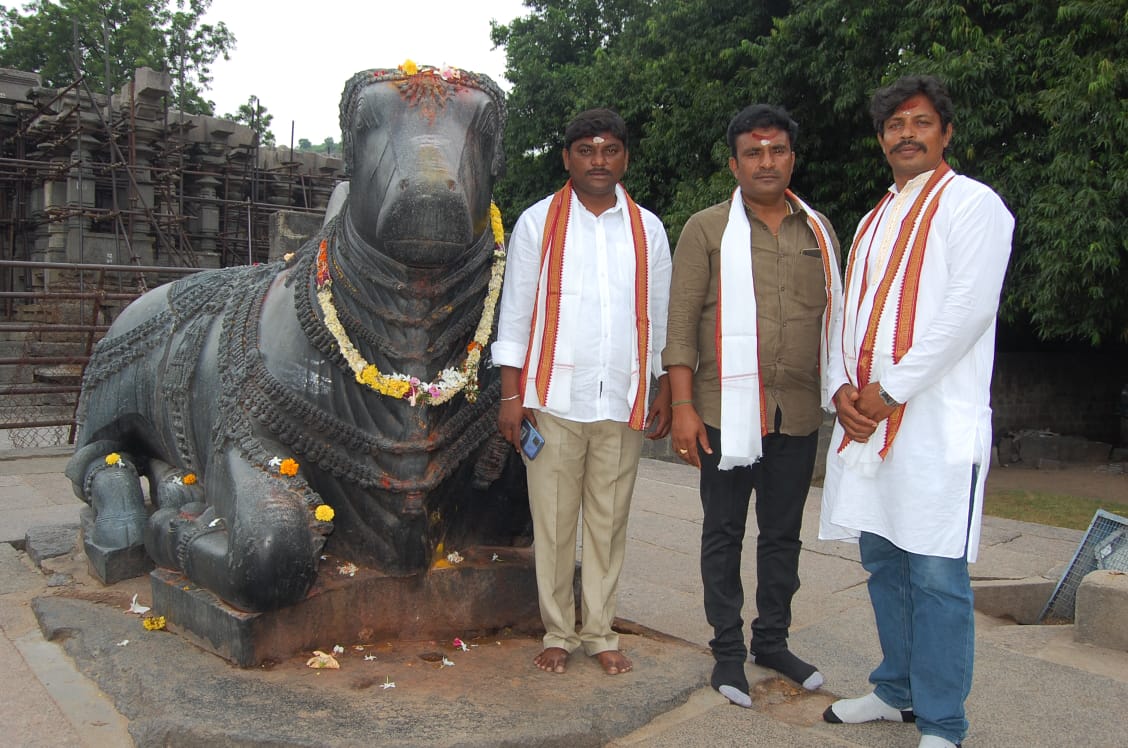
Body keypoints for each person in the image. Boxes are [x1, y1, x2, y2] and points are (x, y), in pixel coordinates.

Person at [819, 75, 1014, 748]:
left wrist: (889, 389)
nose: (907, 133)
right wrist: (842, 386)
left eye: (921, 122)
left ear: (946, 133)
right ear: (881, 140)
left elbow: (964, 313)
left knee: (935, 573)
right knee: (884, 559)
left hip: (932, 424)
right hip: (873, 425)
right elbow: (849, 314)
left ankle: (942, 721)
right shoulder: (874, 219)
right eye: (895, 125)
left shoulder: (973, 206)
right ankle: (895, 690)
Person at [663, 104, 842, 707]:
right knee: (723, 532)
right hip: (721, 411)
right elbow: (681, 323)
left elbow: (839, 324)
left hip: (796, 412)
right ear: (734, 162)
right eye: (753, 152)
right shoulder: (706, 229)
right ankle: (727, 653)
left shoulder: (819, 230)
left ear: (793, 156)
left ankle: (772, 640)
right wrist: (682, 404)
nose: (766, 162)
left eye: (777, 150)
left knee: (783, 535)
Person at [492, 108, 672, 676]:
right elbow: (516, 313)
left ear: (625, 157)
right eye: (587, 150)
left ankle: (599, 631)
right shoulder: (538, 223)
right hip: (552, 399)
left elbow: (659, 320)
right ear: (567, 157)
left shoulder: (649, 229)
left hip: (619, 400)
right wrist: (509, 395)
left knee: (609, 521)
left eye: (611, 149)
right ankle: (556, 631)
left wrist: (662, 387)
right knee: (552, 521)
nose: (599, 160)